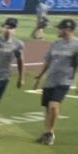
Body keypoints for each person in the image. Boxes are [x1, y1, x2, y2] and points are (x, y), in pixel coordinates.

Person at [31, 17, 77, 145]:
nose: (58, 30)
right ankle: (47, 132)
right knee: (47, 108)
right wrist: (39, 77)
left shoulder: (76, 45)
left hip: (64, 80)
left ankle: (51, 133)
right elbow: (48, 61)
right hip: (50, 80)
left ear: (68, 29)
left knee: (53, 105)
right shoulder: (56, 43)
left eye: (60, 28)